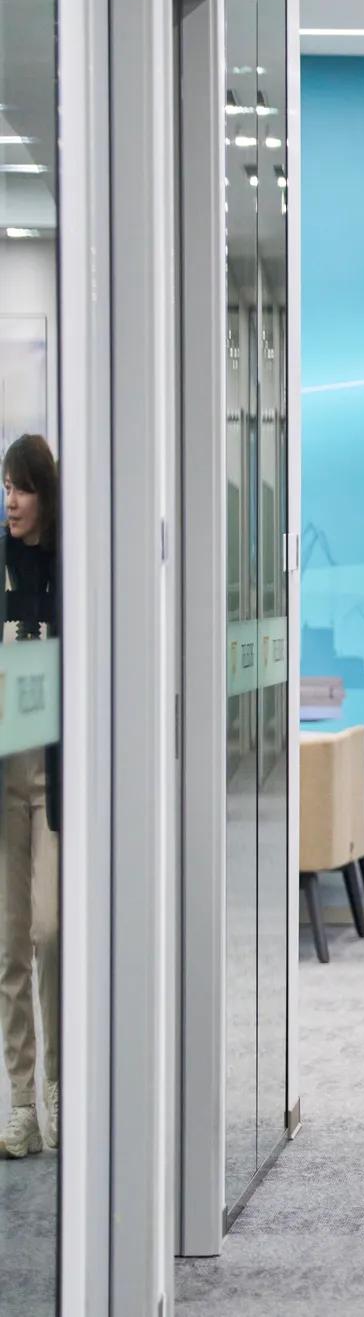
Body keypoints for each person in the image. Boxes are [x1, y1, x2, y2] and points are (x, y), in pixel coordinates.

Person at [0, 436, 58, 1160]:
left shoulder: (70, 570)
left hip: (55, 777)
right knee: (9, 942)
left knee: (51, 931)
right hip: (4, 777)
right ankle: (20, 1100)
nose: (11, 500)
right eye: (4, 486)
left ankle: (62, 1086)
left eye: (22, 487)